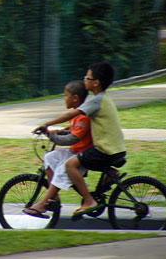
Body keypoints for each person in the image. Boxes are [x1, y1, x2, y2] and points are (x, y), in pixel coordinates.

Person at [33, 62, 126, 218]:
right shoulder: (101, 99)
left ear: (96, 83)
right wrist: (59, 132)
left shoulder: (96, 101)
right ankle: (56, 196)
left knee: (70, 165)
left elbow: (72, 115)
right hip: (111, 148)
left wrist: (47, 124)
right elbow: (74, 126)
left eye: (87, 77)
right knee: (53, 159)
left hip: (105, 150)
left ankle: (89, 201)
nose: (85, 80)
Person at [22, 80, 93, 218]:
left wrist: (51, 136)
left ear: (75, 98)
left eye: (66, 95)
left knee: (62, 168)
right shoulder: (76, 114)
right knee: (49, 157)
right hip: (74, 151)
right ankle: (54, 197)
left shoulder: (84, 116)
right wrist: (58, 132)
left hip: (84, 155)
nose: (64, 98)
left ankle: (43, 204)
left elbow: (72, 139)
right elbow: (71, 132)